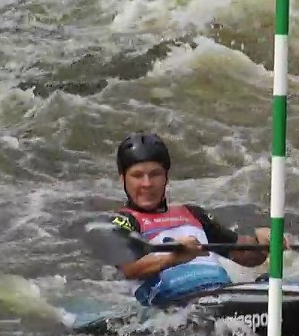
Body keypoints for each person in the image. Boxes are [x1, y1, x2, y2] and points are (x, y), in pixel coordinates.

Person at [109, 131, 281, 306]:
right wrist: (174, 257)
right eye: (137, 175)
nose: (147, 184)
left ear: (166, 177)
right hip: (174, 306)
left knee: (270, 283)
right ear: (123, 179)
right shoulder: (122, 221)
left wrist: (262, 244)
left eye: (155, 174)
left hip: (223, 294)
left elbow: (244, 255)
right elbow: (129, 269)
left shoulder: (192, 213)